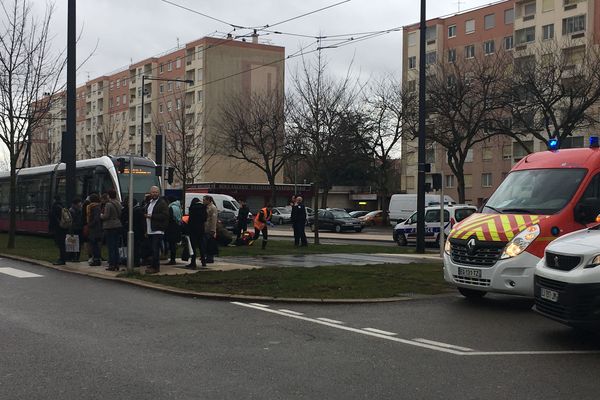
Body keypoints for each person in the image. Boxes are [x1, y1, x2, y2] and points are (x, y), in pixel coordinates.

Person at [144, 186, 169, 274]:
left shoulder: (162, 203)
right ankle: (152, 265)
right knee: (151, 249)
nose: (154, 194)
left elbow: (165, 216)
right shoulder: (149, 203)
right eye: (153, 192)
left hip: (157, 230)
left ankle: (156, 267)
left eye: (156, 192)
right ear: (150, 193)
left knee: (155, 249)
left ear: (159, 193)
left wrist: (152, 216)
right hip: (150, 230)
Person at [100, 189, 123, 271]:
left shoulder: (108, 204)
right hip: (118, 225)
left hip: (110, 226)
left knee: (111, 246)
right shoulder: (118, 203)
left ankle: (112, 264)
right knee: (116, 246)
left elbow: (106, 216)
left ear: (109, 196)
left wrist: (101, 215)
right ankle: (117, 263)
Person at [186, 197, 207, 269]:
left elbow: (190, 220)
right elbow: (205, 218)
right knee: (201, 245)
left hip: (193, 229)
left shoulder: (192, 208)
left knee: (193, 246)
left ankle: (193, 262)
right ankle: (203, 260)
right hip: (201, 229)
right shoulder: (203, 208)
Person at [49, 195, 67, 265]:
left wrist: (51, 228)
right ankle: (63, 258)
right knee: (62, 244)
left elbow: (52, 217)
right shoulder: (63, 206)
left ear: (54, 200)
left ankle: (62, 259)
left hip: (58, 228)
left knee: (61, 244)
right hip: (64, 227)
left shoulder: (55, 207)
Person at [86, 193, 103, 266]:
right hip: (95, 228)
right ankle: (96, 258)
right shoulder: (95, 206)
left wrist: (90, 224)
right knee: (94, 244)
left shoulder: (95, 207)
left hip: (95, 228)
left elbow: (96, 218)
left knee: (95, 244)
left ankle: (96, 259)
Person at [166, 196, 182, 265]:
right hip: (177, 226)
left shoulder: (171, 207)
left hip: (172, 228)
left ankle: (172, 260)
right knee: (174, 244)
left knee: (172, 244)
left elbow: (170, 218)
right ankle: (173, 259)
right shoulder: (178, 207)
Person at [204, 195, 218, 263]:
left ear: (208, 200)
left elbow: (213, 219)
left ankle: (210, 257)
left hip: (210, 228)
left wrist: (213, 229)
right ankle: (206, 256)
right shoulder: (207, 207)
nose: (203, 201)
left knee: (210, 243)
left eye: (204, 200)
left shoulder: (213, 208)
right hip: (206, 228)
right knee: (206, 243)